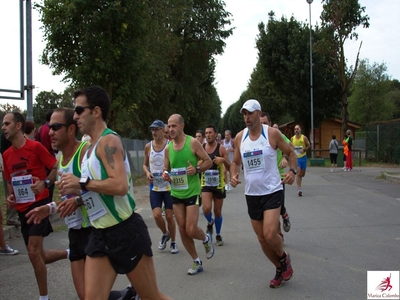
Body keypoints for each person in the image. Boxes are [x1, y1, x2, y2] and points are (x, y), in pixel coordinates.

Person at [56, 86, 171, 300]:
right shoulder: (90, 147)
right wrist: (79, 198)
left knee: (151, 297)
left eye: (80, 110)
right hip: (99, 234)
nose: (75, 116)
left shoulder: (109, 142)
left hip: (125, 232)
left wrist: (80, 183)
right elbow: (97, 188)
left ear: (96, 111)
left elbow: (119, 186)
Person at [230, 99, 296, 289]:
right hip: (252, 194)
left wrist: (292, 171)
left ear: (259, 114)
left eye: (250, 113)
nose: (247, 117)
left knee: (269, 233)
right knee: (261, 239)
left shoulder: (272, 134)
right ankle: (279, 267)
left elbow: (291, 153)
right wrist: (233, 175)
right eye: (244, 114)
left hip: (272, 190)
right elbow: (235, 161)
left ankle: (283, 258)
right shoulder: (239, 137)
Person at [26, 107, 90, 300]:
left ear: (71, 129)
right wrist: (50, 208)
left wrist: (79, 200)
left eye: (55, 127)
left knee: (94, 296)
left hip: (94, 231)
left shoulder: (85, 152)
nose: (50, 132)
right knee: (84, 295)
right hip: (75, 232)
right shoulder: (61, 159)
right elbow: (66, 199)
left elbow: (106, 190)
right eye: (48, 127)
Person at [2, 112, 68, 300]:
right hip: (22, 209)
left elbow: (55, 167)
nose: (3, 127)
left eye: (7, 124)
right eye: (2, 124)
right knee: (39, 255)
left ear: (18, 126)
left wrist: (44, 184)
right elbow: (9, 181)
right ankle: (70, 253)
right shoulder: (6, 155)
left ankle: (43, 297)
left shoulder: (36, 147)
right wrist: (11, 197)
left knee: (32, 251)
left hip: (39, 204)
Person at [163, 114, 214, 275]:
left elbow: (208, 161)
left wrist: (197, 169)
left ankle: (205, 238)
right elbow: (167, 169)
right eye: (169, 126)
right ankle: (196, 261)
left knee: (191, 229)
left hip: (192, 191)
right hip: (176, 193)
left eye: (174, 126)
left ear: (182, 126)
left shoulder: (193, 142)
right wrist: (165, 174)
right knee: (182, 230)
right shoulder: (168, 148)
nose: (171, 129)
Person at [143, 119, 178, 254]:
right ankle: (165, 233)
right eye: (152, 129)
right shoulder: (148, 146)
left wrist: (170, 173)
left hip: (168, 187)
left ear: (163, 130)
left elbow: (174, 163)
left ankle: (173, 242)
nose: (154, 132)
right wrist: (147, 172)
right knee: (157, 215)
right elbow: (144, 164)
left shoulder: (170, 145)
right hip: (155, 187)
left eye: (156, 129)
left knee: (169, 217)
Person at [260, 113, 292, 238]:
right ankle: (278, 230)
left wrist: (285, 157)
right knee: (267, 211)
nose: (263, 126)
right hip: (262, 180)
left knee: (277, 207)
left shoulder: (277, 135)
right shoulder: (254, 138)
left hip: (278, 177)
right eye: (261, 123)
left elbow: (291, 147)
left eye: (265, 123)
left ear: (270, 123)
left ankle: (283, 218)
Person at [201, 125, 231, 246]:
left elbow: (229, 167)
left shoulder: (221, 149)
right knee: (206, 208)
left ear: (215, 134)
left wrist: (223, 160)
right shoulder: (201, 148)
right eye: (206, 133)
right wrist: (199, 164)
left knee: (217, 211)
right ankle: (210, 222)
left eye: (210, 133)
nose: (208, 135)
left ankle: (218, 235)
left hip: (218, 184)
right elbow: (196, 164)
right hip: (206, 183)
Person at [35, 110, 56, 203]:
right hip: (49, 157)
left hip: (40, 159)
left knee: (42, 181)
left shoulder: (39, 129)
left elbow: (35, 140)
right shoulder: (50, 130)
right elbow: (53, 146)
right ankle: (48, 203)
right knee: (49, 183)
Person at [1, 132, 19, 226]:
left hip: (11, 166)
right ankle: (11, 218)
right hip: (9, 167)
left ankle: (14, 216)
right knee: (11, 193)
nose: (4, 127)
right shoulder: (6, 136)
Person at [291, 125, 310, 197]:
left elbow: (309, 145)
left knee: (302, 174)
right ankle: (299, 190)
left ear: (300, 130)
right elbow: (289, 146)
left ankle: (300, 177)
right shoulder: (292, 139)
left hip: (303, 157)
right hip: (296, 158)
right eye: (295, 129)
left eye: (297, 129)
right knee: (298, 173)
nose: (296, 130)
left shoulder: (304, 138)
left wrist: (304, 150)